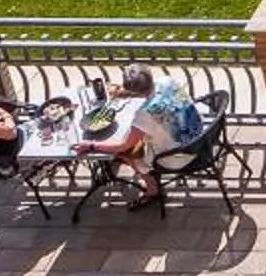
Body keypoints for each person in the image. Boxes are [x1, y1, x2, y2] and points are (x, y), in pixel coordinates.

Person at [77, 66, 202, 209]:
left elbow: (122, 146)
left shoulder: (145, 114)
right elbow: (153, 92)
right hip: (197, 136)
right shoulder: (167, 81)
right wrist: (127, 94)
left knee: (129, 153)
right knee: (141, 138)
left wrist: (91, 145)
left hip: (179, 156)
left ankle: (152, 190)